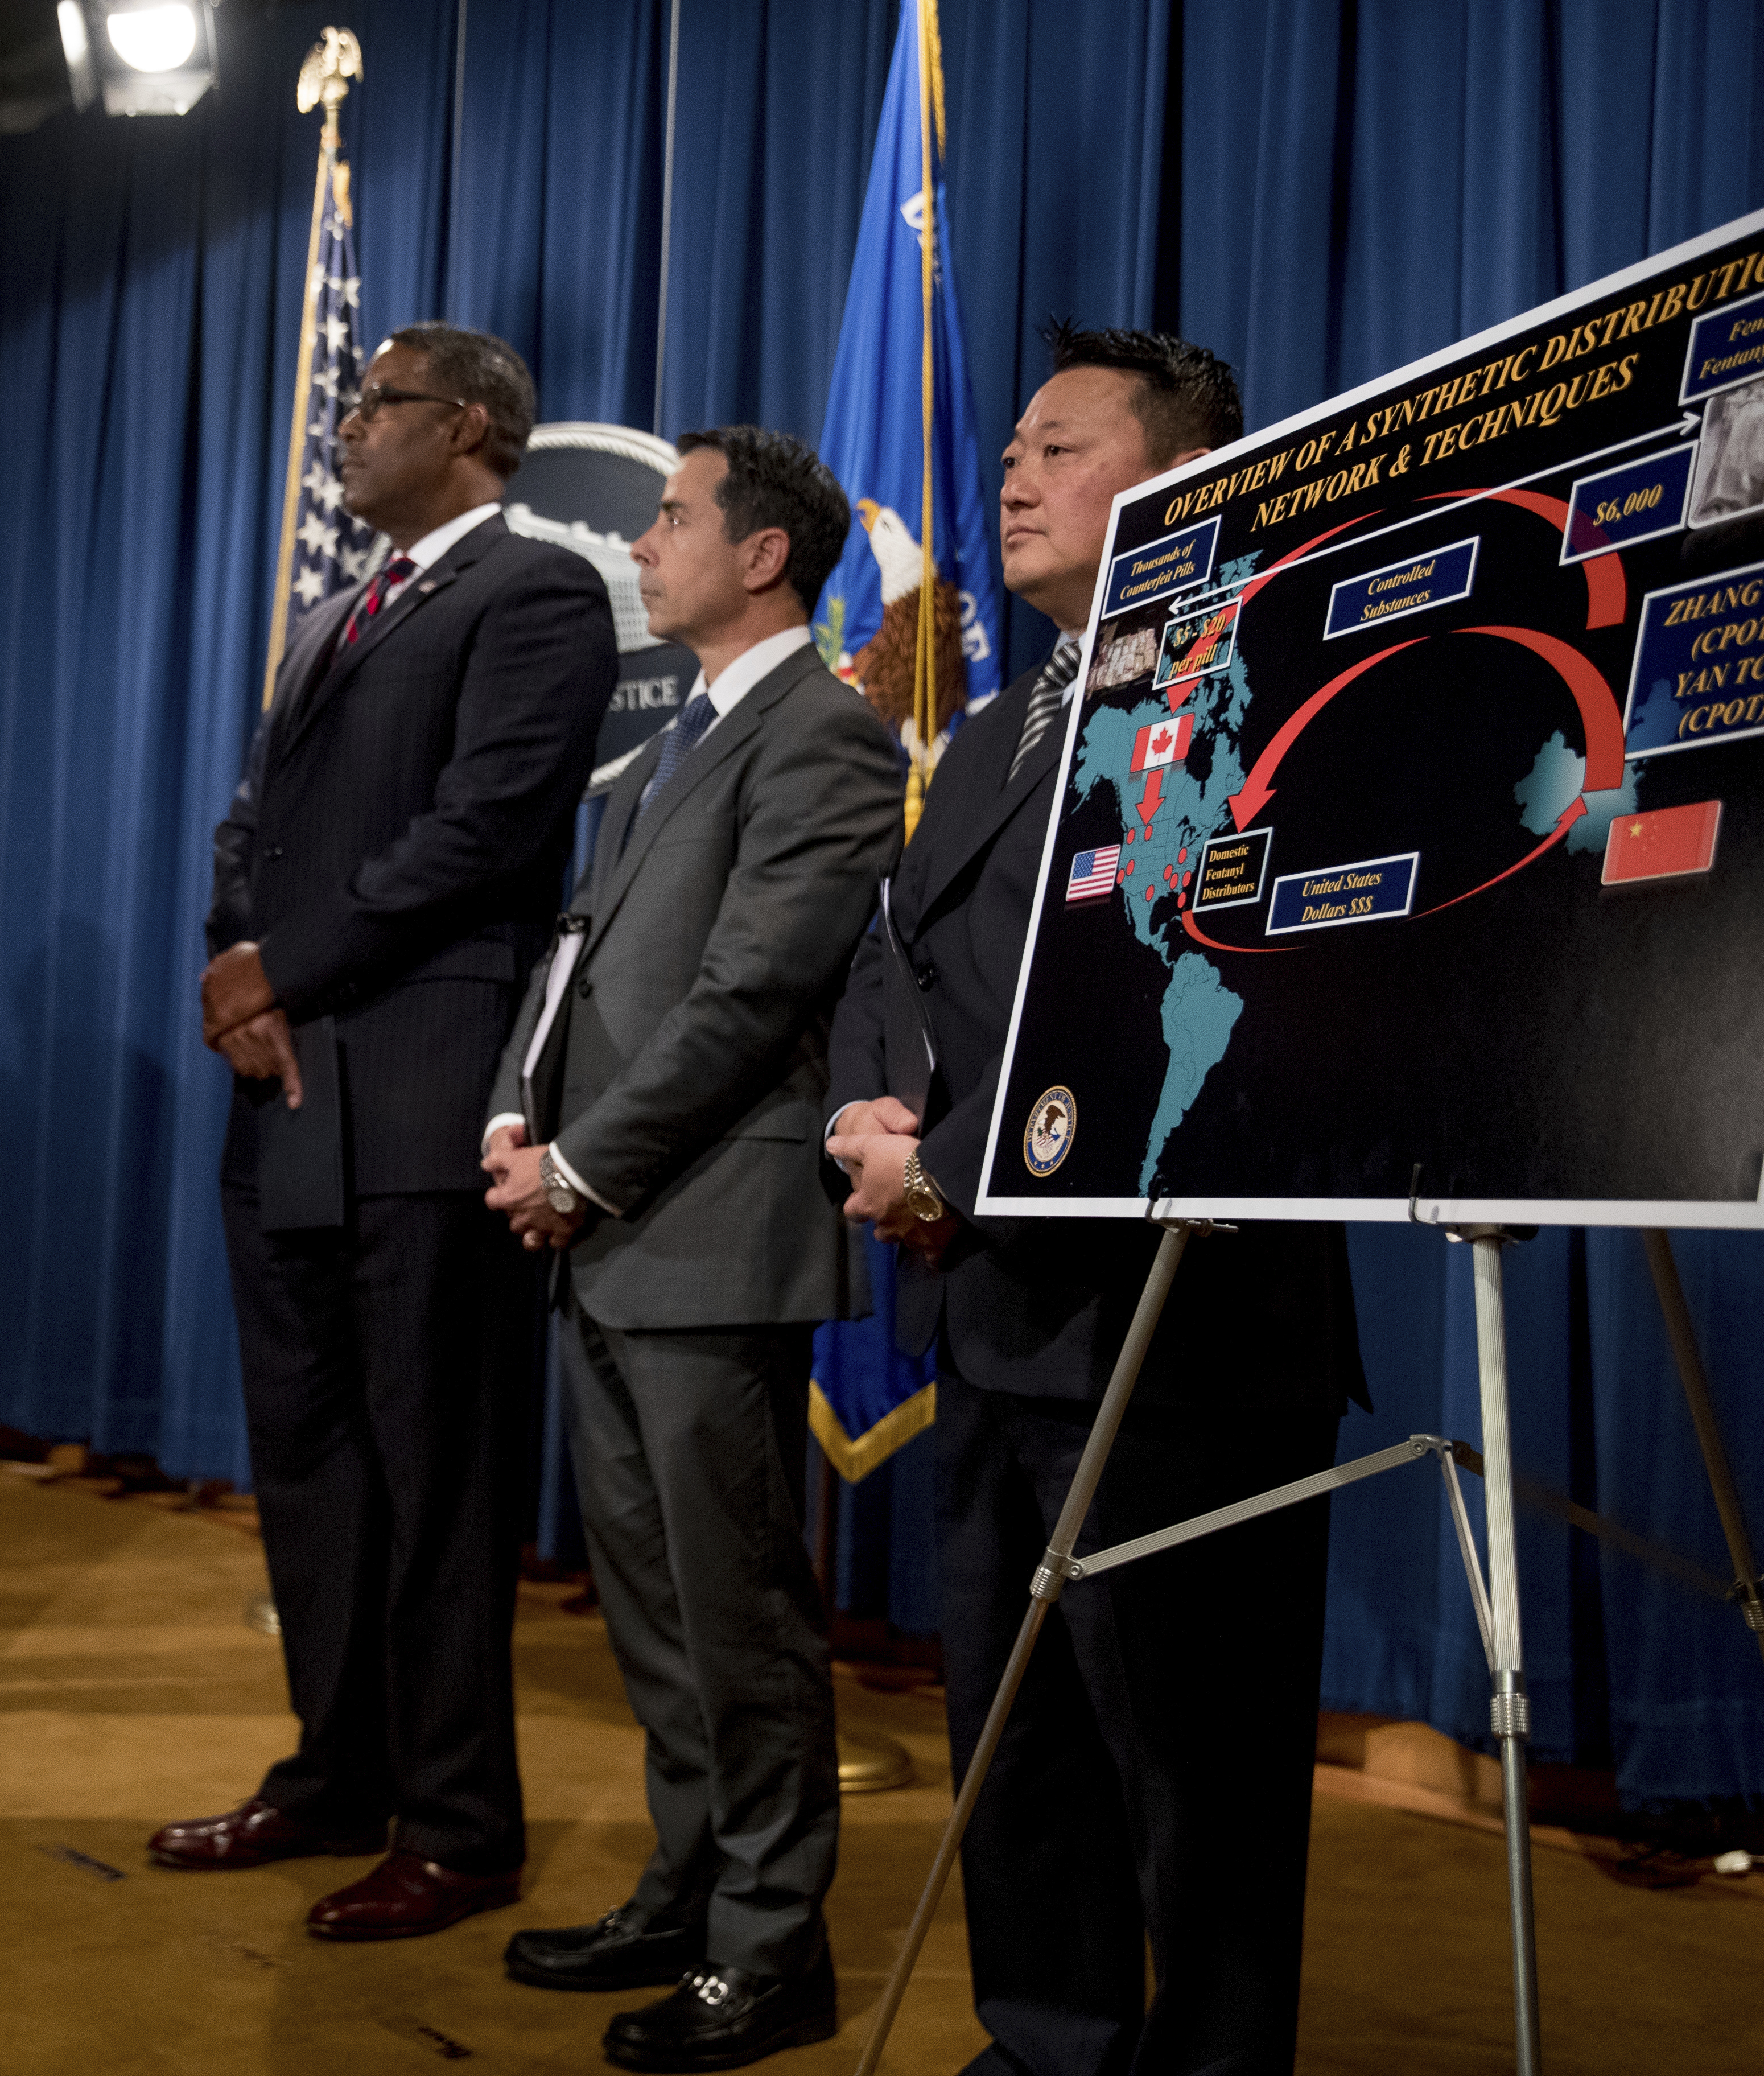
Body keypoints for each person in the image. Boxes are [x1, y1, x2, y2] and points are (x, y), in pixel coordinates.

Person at [824, 322, 1363, 2075]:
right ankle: (1051, 2041)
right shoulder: (990, 734)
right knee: (1021, 1729)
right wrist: (871, 1111)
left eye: (1060, 444)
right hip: (990, 1311)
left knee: (1190, 1757)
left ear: (1177, 479)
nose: (1013, 471)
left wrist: (953, 1167)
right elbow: (895, 955)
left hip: (1180, 1330)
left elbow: (1194, 1001)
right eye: (1013, 448)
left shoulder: (1255, 685)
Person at [150, 324, 614, 1940]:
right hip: (282, 1099)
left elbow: (484, 833)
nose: (346, 430)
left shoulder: (539, 590)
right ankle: (335, 1774)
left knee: (438, 1480)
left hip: (423, 1092)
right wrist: (237, 972)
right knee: (314, 1473)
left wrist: (287, 961)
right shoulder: (327, 618)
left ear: (471, 427)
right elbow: (250, 830)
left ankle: (463, 1826)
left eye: (375, 406)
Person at [481, 427, 902, 2070]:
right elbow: (586, 964)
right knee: (653, 1610)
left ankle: (770, 1947)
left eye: (668, 520)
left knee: (739, 1619)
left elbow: (749, 999)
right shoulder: (675, 742)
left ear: (765, 557)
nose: (640, 547)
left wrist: (583, 1162)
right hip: (607, 1229)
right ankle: (684, 1889)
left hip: (705, 1235)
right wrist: (522, 1114)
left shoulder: (828, 734)